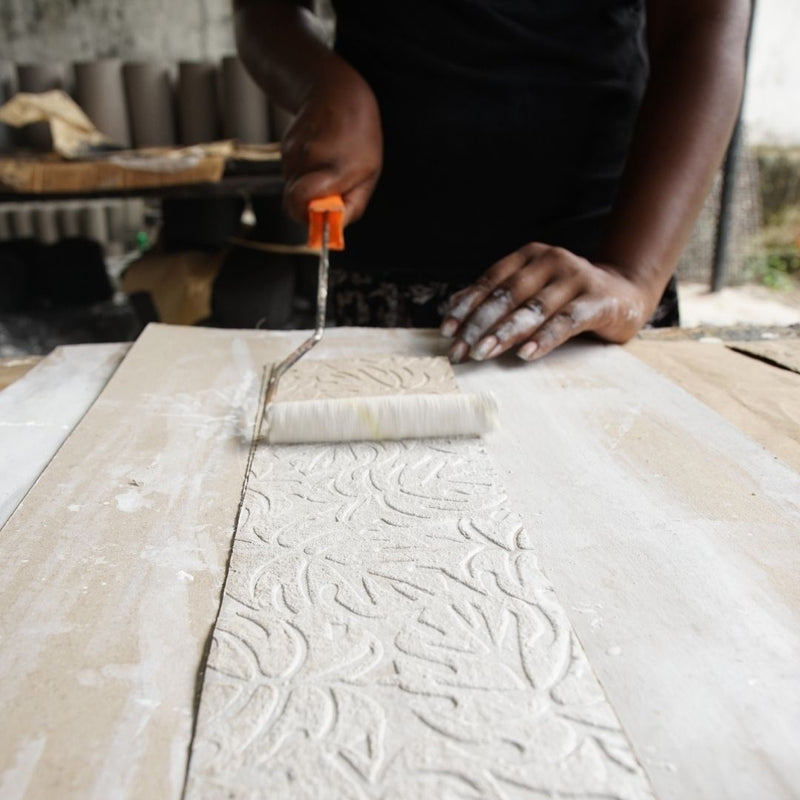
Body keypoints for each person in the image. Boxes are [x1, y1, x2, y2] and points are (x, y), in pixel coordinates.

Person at [234, 0, 750, 362]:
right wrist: (321, 83)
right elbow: (263, 8)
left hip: (596, 273)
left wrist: (633, 275)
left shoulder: (614, 274)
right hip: (387, 261)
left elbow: (702, 20)